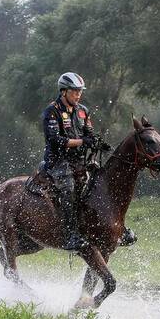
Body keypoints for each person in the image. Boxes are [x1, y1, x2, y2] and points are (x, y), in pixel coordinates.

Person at [41, 72, 136, 251]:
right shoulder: (52, 111)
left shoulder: (83, 111)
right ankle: (70, 236)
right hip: (58, 162)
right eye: (75, 91)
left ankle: (118, 228)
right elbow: (56, 141)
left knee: (104, 184)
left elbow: (89, 133)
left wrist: (98, 143)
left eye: (80, 91)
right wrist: (83, 142)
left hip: (80, 161)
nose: (78, 94)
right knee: (69, 189)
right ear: (63, 92)